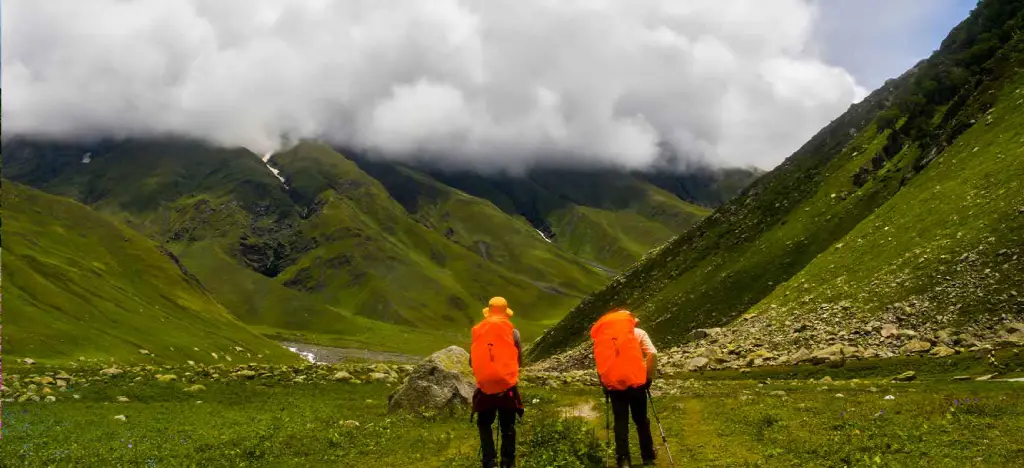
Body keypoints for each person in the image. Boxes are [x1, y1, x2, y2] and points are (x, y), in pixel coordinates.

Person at [590, 308, 658, 467]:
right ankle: (647, 457)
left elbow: (601, 364)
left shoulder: (604, 339)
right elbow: (652, 353)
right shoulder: (639, 333)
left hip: (615, 386)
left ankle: (623, 460)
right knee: (641, 420)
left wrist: (605, 384)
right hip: (637, 383)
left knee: (621, 422)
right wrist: (648, 377)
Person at [470, 297, 524, 468]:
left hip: (485, 387)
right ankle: (508, 462)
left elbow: (472, 361)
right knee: (507, 425)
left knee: (484, 423)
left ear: (489, 311)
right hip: (507, 385)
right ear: (505, 313)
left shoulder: (478, 331)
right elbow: (519, 358)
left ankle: (489, 461)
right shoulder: (513, 332)